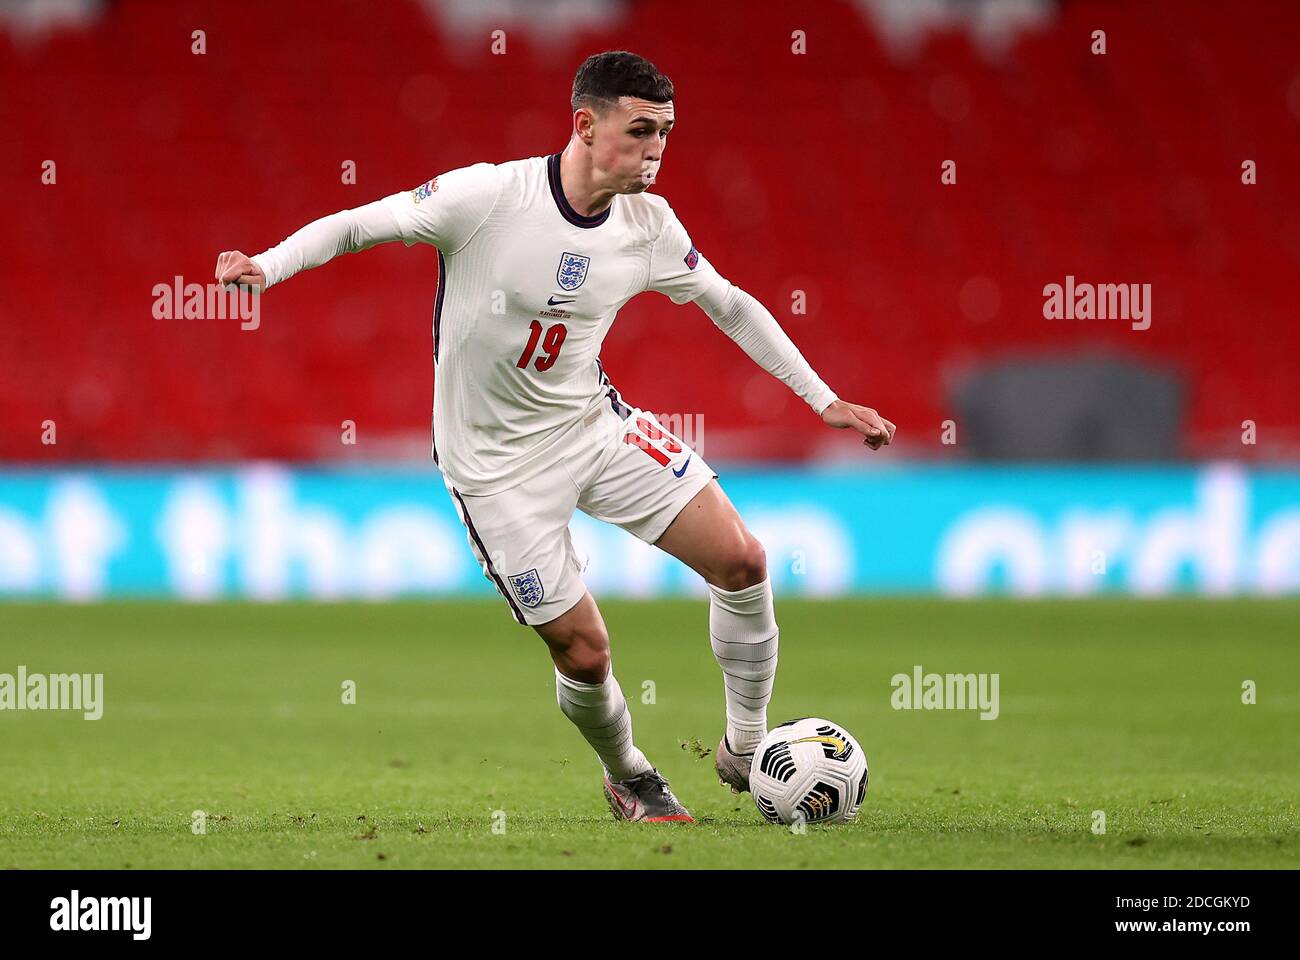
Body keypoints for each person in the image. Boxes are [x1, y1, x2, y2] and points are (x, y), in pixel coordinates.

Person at [214, 50, 895, 823]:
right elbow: (357, 225)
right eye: (641, 131)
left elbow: (729, 304)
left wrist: (825, 398)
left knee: (742, 560)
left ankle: (745, 746)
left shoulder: (649, 226)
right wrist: (267, 267)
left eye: (667, 133)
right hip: (495, 472)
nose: (657, 150)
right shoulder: (487, 197)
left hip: (592, 428)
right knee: (585, 651)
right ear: (585, 123)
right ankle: (629, 773)